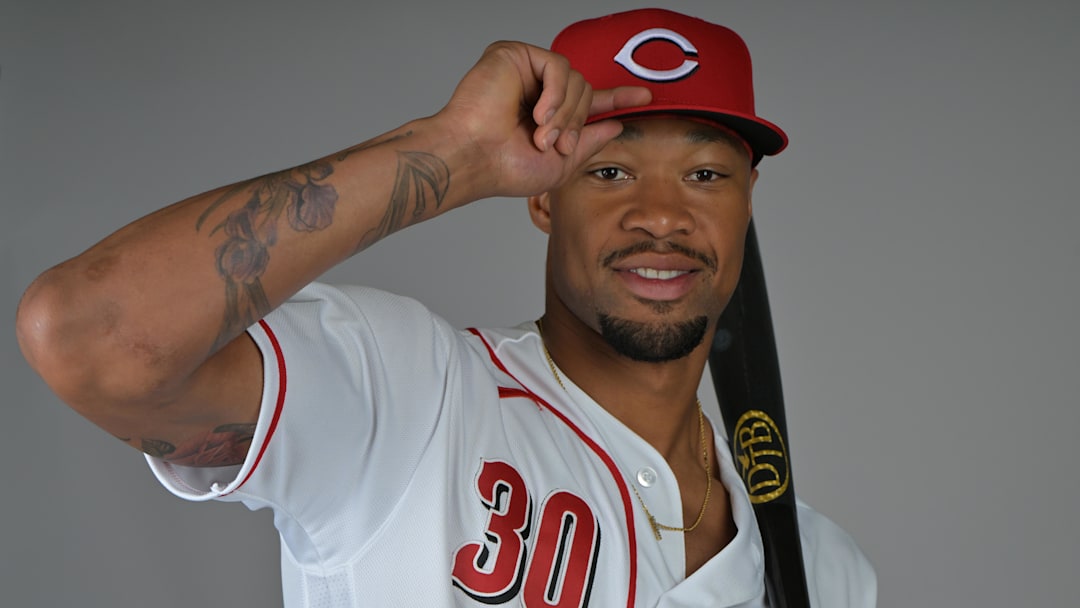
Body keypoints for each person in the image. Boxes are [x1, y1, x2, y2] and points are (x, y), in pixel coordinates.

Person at [16, 8, 875, 607]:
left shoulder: (827, 574)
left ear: (747, 201)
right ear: (543, 198)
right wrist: (454, 154)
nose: (660, 214)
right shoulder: (404, 395)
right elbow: (91, 335)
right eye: (608, 171)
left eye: (705, 173)